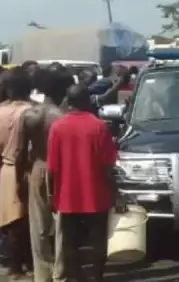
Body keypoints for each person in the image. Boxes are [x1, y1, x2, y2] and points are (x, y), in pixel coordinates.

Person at [47, 85, 120, 282]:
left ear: (68, 103)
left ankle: (75, 277)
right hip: (96, 194)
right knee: (98, 240)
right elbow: (108, 166)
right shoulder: (99, 126)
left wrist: (51, 196)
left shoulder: (58, 127)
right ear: (87, 102)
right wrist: (116, 193)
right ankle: (96, 277)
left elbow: (52, 168)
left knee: (69, 242)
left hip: (67, 195)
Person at [19, 68, 74, 282]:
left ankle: (42, 274)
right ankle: (60, 273)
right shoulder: (65, 116)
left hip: (38, 167)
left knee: (38, 226)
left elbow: (22, 151)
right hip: (62, 169)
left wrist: (20, 178)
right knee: (62, 225)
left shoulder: (31, 115)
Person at [0, 67, 34, 280]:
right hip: (34, 168)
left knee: (11, 221)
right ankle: (30, 262)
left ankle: (14, 267)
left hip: (7, 168)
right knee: (32, 221)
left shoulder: (1, 112)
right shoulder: (35, 111)